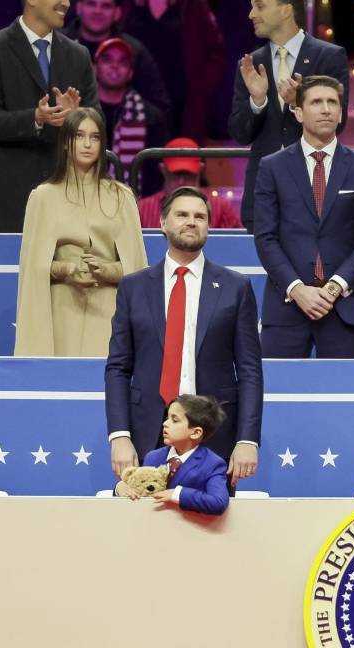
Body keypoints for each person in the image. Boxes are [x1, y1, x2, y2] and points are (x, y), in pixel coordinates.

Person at [106, 186, 263, 489]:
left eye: (200, 217)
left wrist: (247, 439)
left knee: (210, 530)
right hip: (145, 431)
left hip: (213, 433)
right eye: (182, 215)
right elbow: (118, 368)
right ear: (163, 223)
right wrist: (120, 436)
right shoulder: (133, 287)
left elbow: (249, 371)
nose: (192, 222)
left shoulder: (235, 287)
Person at [253, 75, 354, 359]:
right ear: (298, 112)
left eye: (332, 102)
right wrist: (297, 289)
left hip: (345, 309)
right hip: (287, 307)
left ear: (341, 112)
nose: (326, 109)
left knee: (346, 401)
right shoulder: (272, 167)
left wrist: (335, 287)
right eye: (316, 102)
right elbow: (265, 238)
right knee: (279, 400)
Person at [14, 108, 147, 357]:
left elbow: (136, 267)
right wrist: (65, 269)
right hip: (61, 306)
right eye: (79, 136)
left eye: (95, 137)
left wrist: (107, 271)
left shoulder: (121, 196)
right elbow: (33, 267)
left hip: (109, 307)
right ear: (66, 143)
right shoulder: (43, 197)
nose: (87, 144)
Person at [230, 0, 350, 232]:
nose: (251, 14)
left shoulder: (329, 57)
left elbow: (338, 123)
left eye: (260, 6)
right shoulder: (249, 64)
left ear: (286, 10)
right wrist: (257, 101)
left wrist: (299, 102)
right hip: (263, 200)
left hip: (315, 196)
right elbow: (240, 134)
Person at [0, 1, 99, 232]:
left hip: (69, 200)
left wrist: (78, 118)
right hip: (11, 205)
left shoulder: (79, 55)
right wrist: (36, 118)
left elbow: (99, 121)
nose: (66, 3)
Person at [123, 0, 225, 141]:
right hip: (135, 99)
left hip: (183, 104)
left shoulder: (192, 5)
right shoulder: (127, 5)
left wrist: (203, 89)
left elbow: (215, 52)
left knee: (183, 158)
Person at [115, 394, 230, 516]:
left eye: (175, 420)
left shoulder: (213, 464)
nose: (165, 423)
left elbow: (218, 502)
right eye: (167, 417)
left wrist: (177, 494)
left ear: (196, 432)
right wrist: (120, 487)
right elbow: (139, 489)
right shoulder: (153, 457)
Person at [63, 0, 171, 116]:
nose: (98, 11)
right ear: (78, 8)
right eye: (91, 3)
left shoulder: (134, 50)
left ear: (117, 13)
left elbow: (160, 107)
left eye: (106, 6)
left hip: (122, 128)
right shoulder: (55, 44)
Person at [93, 37, 168, 195]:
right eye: (107, 60)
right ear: (94, 68)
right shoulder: (80, 112)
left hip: (136, 206)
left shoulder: (151, 117)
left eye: (123, 62)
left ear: (130, 73)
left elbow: (154, 176)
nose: (115, 66)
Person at [136, 138, 244, 228]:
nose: (181, 181)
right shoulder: (143, 209)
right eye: (176, 174)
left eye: (188, 175)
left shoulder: (222, 208)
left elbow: (237, 248)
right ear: (163, 170)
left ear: (201, 170)